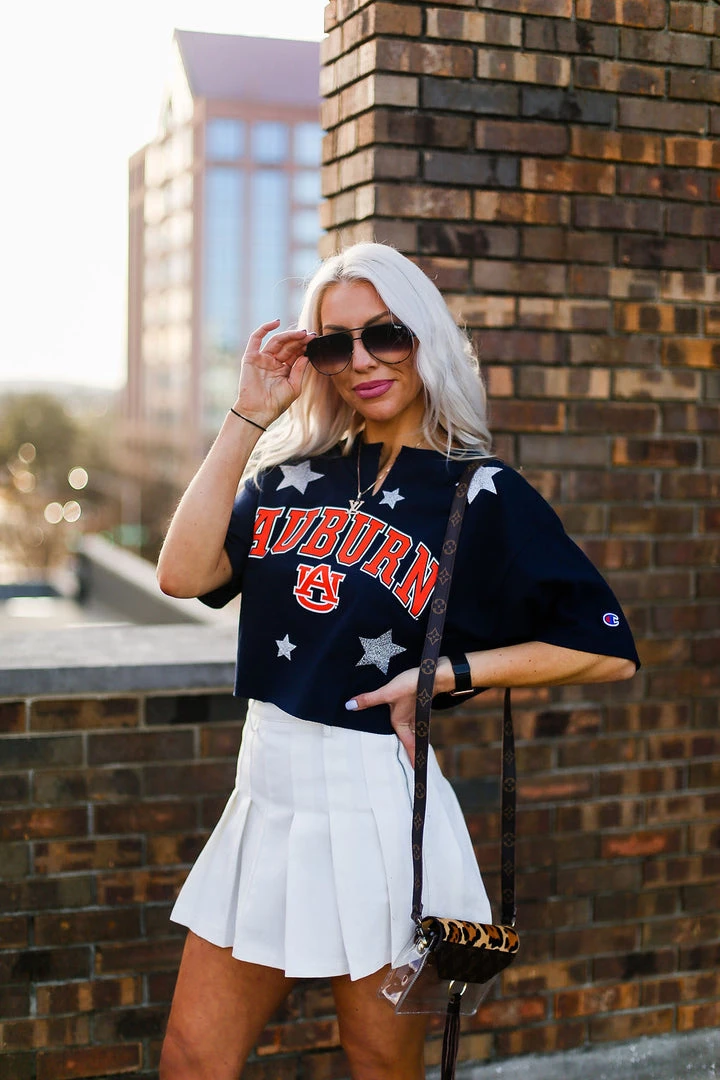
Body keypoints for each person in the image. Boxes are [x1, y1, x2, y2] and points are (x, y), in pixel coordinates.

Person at [156, 242, 639, 1080]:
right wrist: (247, 416)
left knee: (381, 1065)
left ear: (426, 337)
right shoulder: (289, 475)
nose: (361, 361)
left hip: (375, 806)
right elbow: (182, 574)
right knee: (193, 1057)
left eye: (386, 334)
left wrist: (445, 675)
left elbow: (605, 650)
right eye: (333, 343)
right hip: (266, 795)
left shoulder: (479, 491)